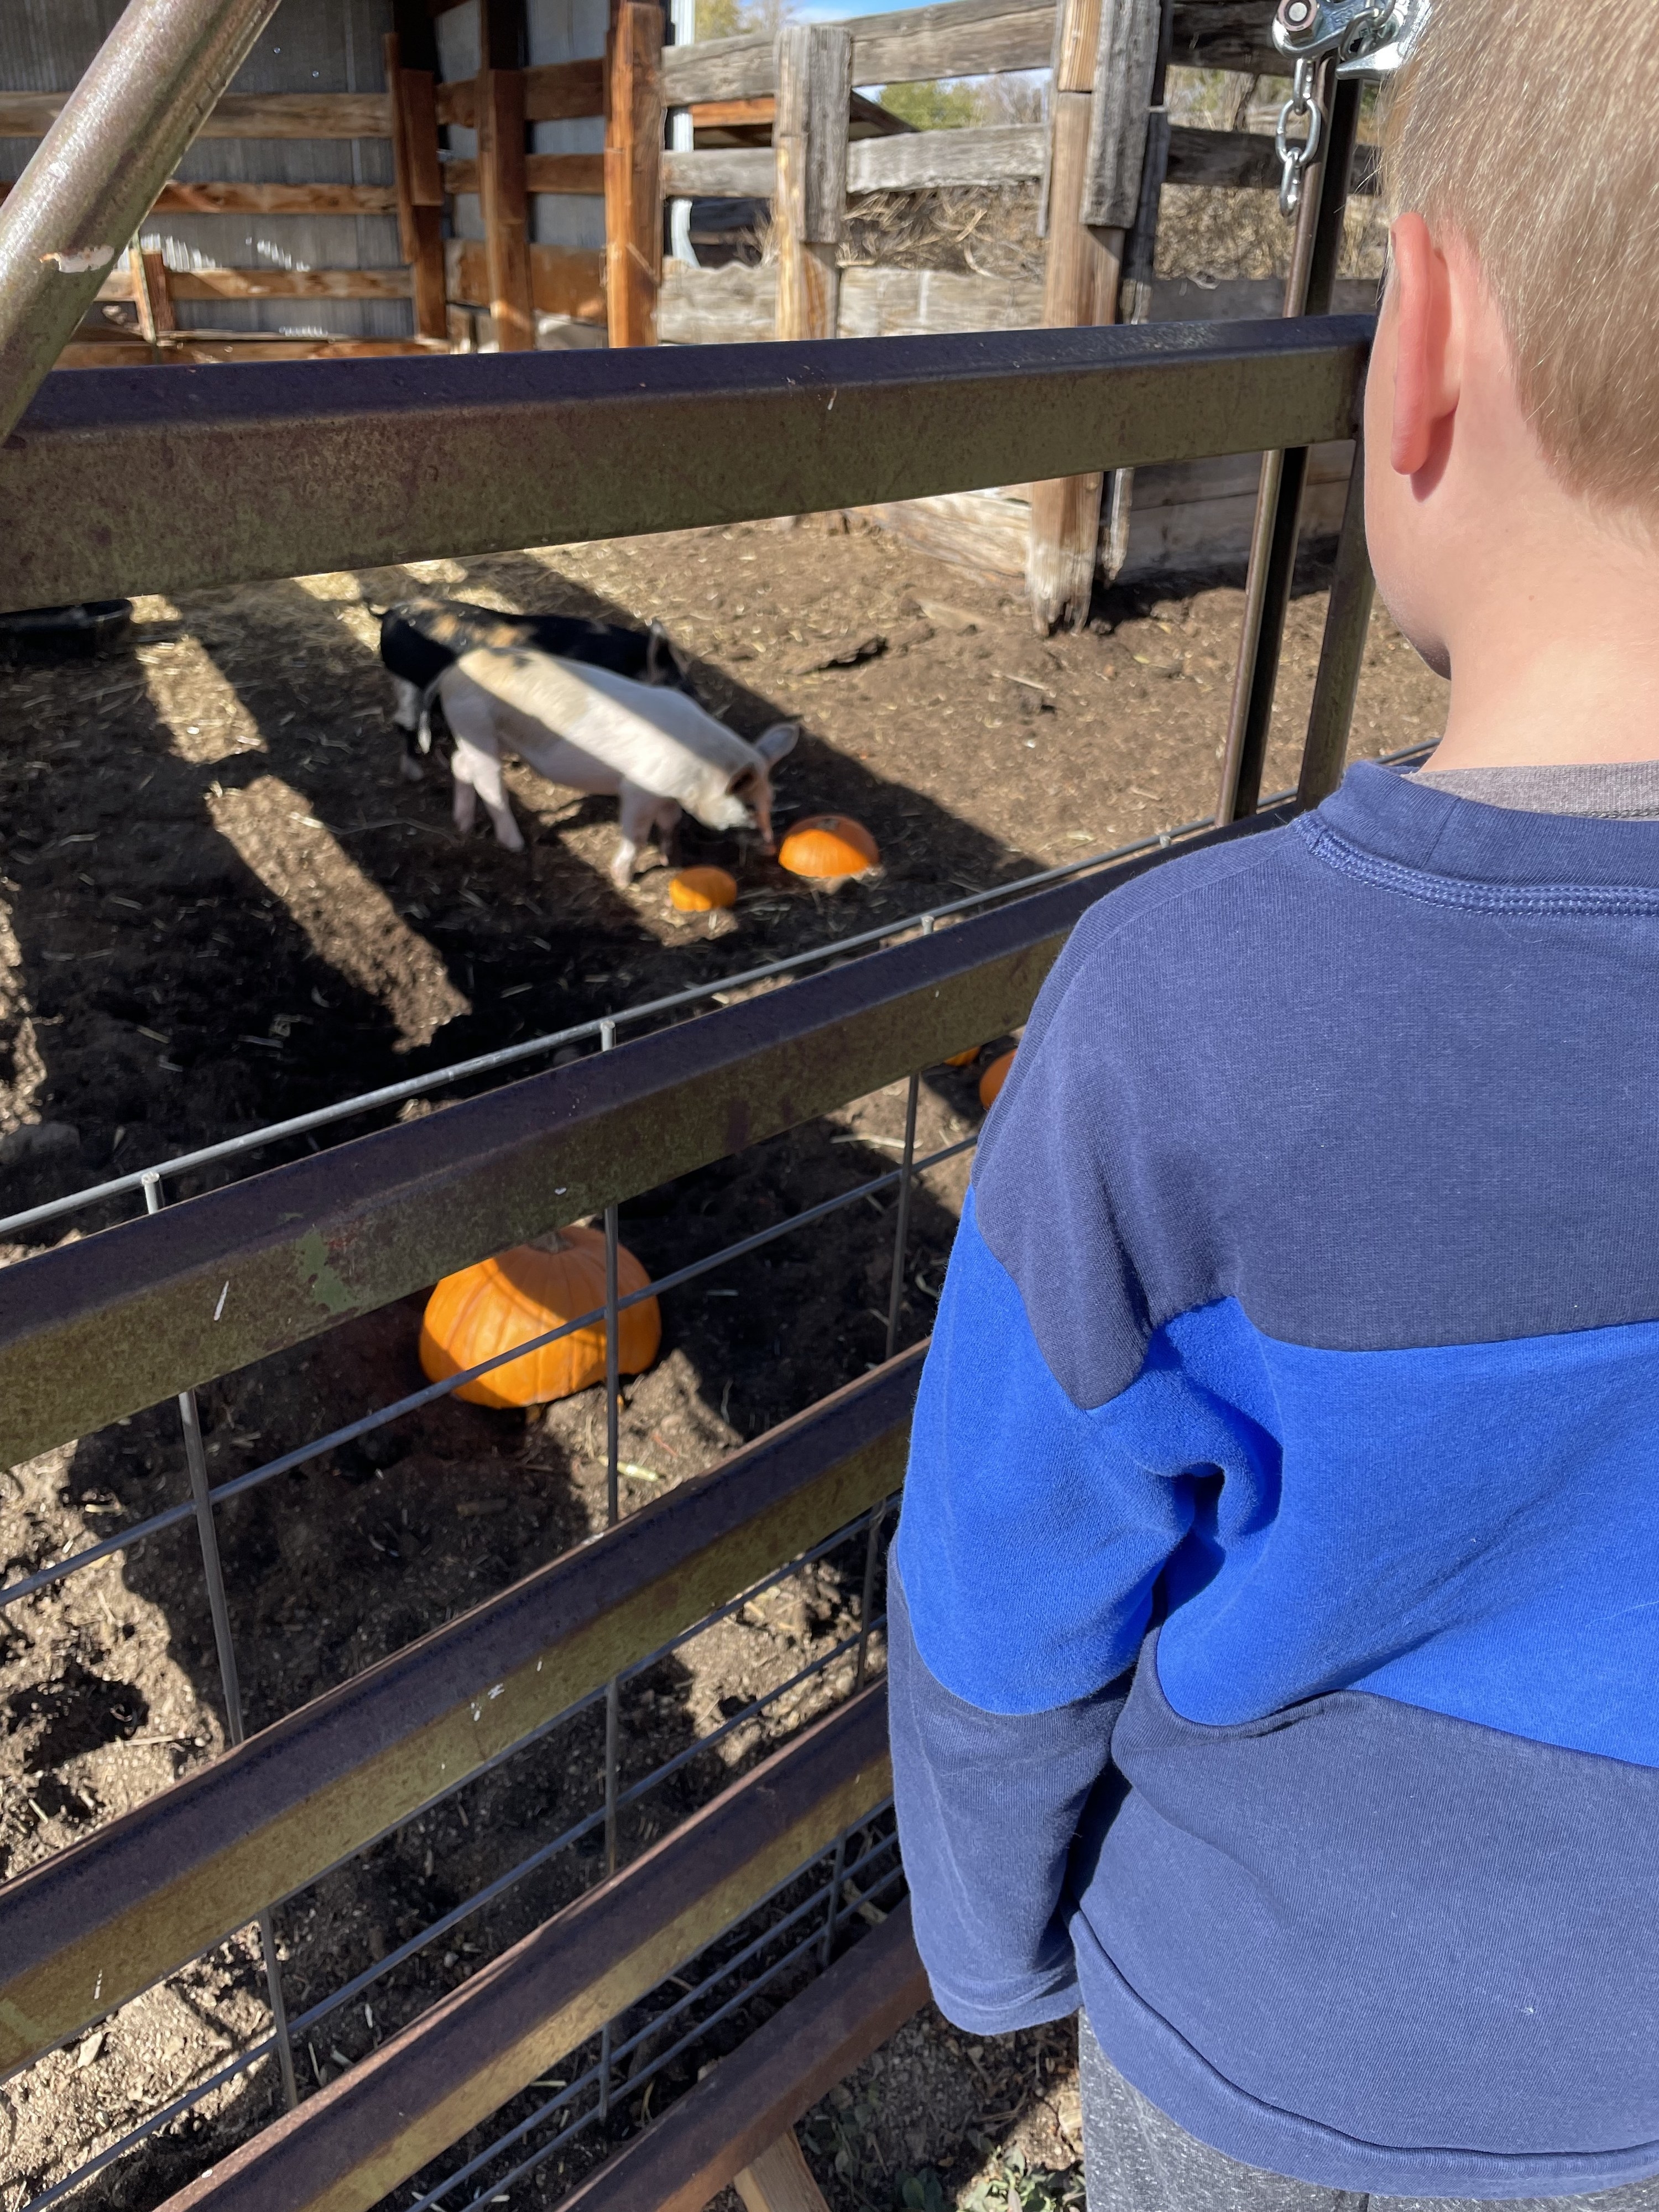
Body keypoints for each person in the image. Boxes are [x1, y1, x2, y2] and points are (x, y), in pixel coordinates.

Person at [888, 2, 1659, 2205]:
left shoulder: (1177, 1013)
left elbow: (1002, 1590)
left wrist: (994, 1949)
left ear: (1415, 348)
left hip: (1254, 2066)